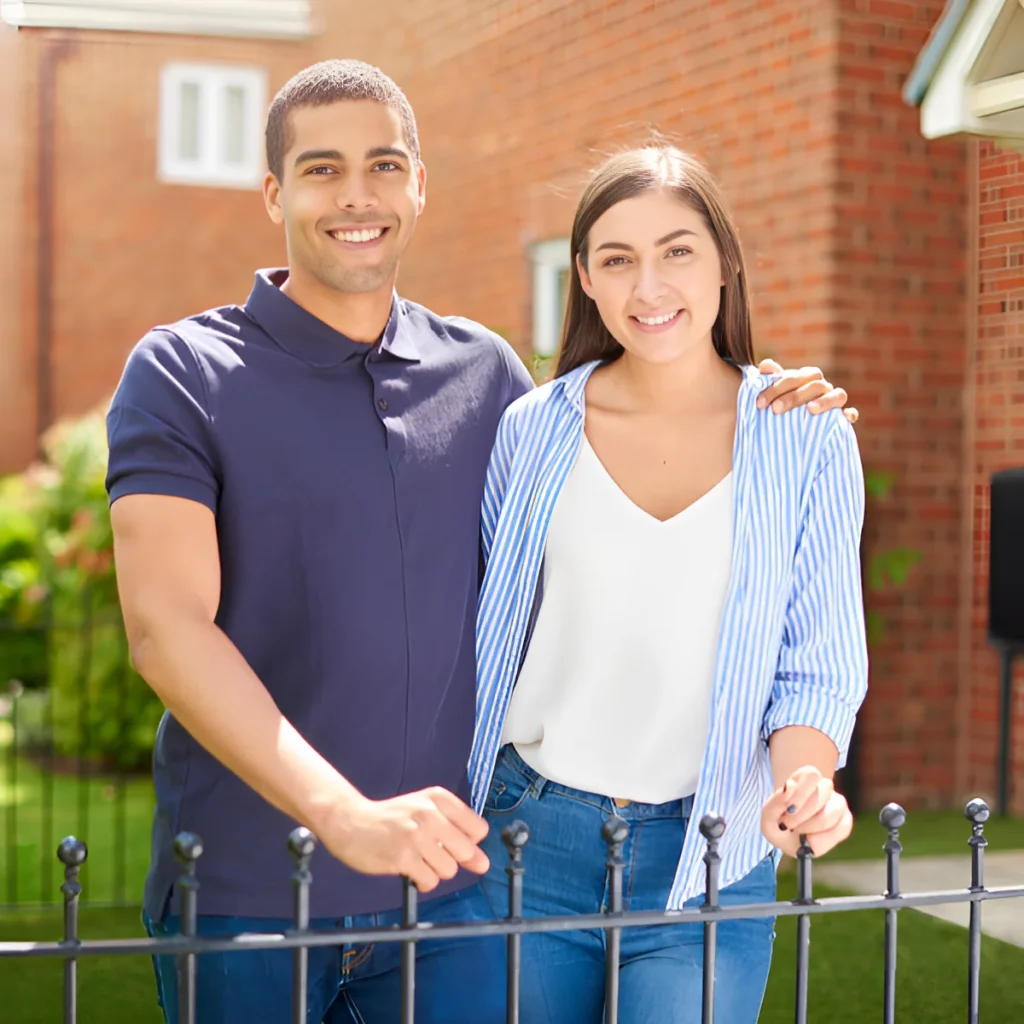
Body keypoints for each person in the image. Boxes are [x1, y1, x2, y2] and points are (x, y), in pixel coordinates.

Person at [105, 59, 856, 1023]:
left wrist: (778, 401)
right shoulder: (181, 372)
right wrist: (345, 816)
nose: (357, 195)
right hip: (254, 892)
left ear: (420, 184)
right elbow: (166, 629)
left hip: (452, 888)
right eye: (322, 169)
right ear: (273, 191)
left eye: (383, 164)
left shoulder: (485, 379)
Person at [469, 146, 869, 1024]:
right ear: (585, 278)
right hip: (529, 839)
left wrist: (804, 783)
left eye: (677, 251)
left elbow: (819, 657)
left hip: (712, 853)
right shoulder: (532, 431)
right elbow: (487, 634)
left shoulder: (805, 439)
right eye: (617, 259)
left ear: (725, 262)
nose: (649, 286)